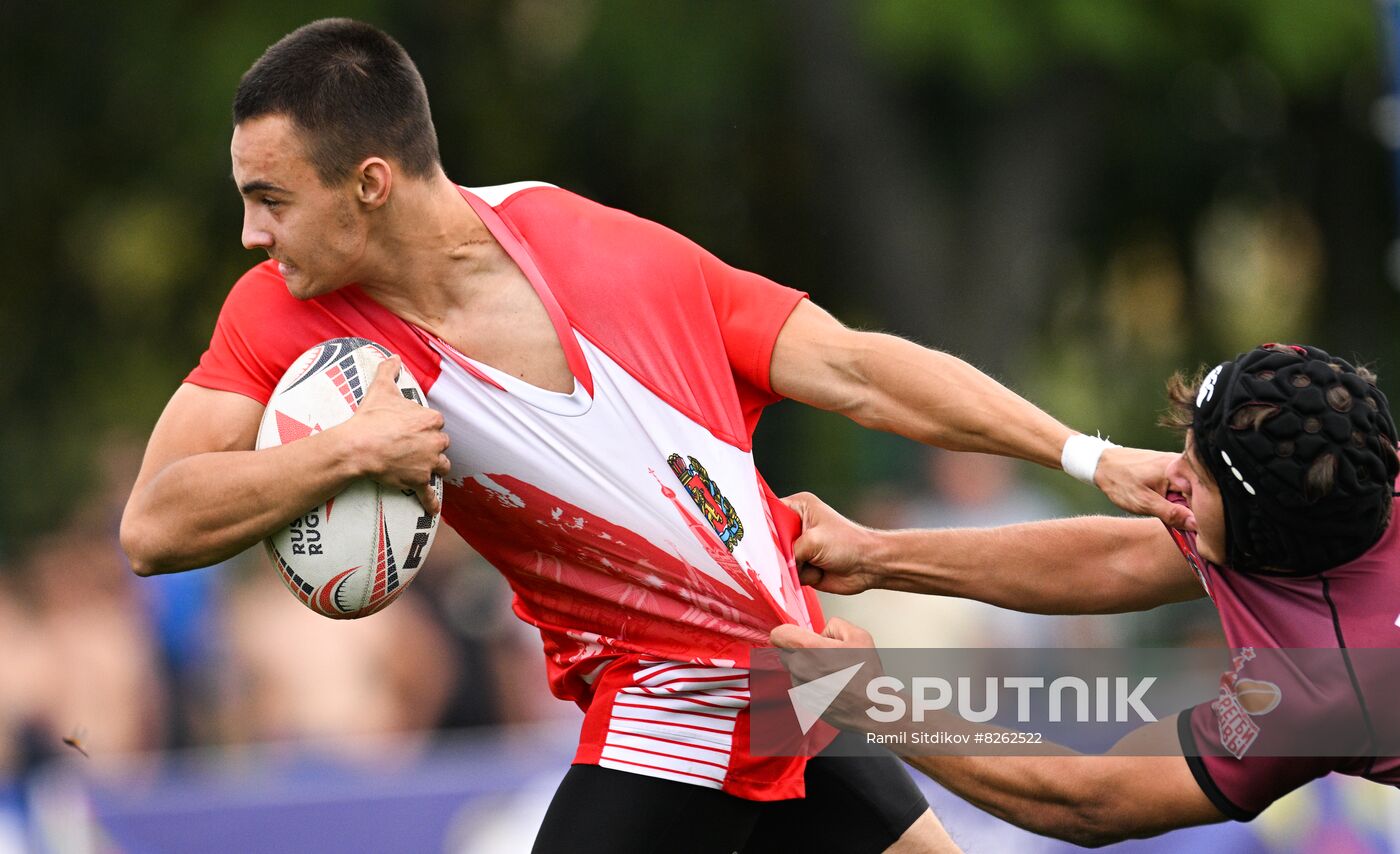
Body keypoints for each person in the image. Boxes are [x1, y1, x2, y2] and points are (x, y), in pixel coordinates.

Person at [119, 18, 1185, 853]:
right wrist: (348, 451)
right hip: (782, 679)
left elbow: (859, 368)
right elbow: (152, 524)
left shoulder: (600, 249)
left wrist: (1086, 457)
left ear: (369, 183)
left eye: (270, 200)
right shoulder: (277, 308)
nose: (252, 233)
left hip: (720, 682)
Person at [773, 342, 1400, 846]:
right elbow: (1121, 561)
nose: (1169, 477)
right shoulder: (1339, 486)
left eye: (1198, 478)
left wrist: (879, 706)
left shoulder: (1326, 683)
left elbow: (1091, 798)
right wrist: (875, 554)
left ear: (1265, 539)